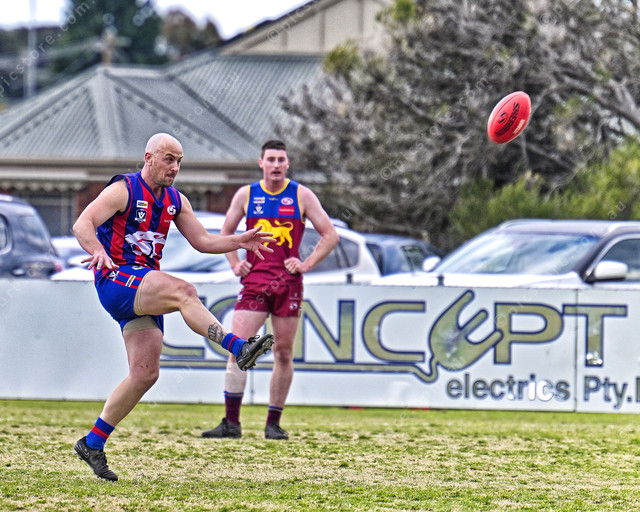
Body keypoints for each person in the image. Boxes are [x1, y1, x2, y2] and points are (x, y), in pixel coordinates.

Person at [72, 133, 276, 481]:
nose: (175, 167)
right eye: (169, 159)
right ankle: (238, 347)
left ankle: (92, 443)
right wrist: (97, 250)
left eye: (179, 161)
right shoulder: (123, 190)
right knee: (184, 291)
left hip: (143, 286)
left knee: (145, 374)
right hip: (117, 279)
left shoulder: (176, 200)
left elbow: (203, 241)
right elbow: (82, 224)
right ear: (148, 157)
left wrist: (238, 240)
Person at [202, 139, 338, 441]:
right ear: (261, 163)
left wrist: (306, 264)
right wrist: (235, 263)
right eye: (271, 159)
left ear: (287, 164)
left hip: (288, 284)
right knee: (238, 348)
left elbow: (330, 235)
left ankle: (273, 423)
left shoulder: (301, 195)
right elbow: (226, 233)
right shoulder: (246, 194)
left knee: (284, 353)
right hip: (254, 283)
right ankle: (231, 423)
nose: (276, 165)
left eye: (281, 160)